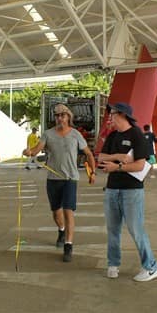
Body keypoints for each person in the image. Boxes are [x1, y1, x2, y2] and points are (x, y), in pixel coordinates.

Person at [23, 103, 95, 262]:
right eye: (57, 116)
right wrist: (28, 152)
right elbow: (35, 150)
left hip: (70, 178)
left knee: (68, 210)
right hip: (53, 179)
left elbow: (89, 154)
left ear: (68, 117)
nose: (59, 118)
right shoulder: (48, 134)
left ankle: (68, 245)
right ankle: (61, 230)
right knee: (56, 212)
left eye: (62, 115)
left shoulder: (76, 135)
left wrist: (93, 172)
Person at [98, 102, 157, 282]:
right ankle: (113, 264)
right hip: (112, 189)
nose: (110, 117)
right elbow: (101, 157)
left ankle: (151, 266)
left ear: (123, 115)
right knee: (112, 229)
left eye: (113, 114)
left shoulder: (136, 135)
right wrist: (118, 157)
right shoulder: (112, 136)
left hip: (131, 191)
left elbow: (140, 165)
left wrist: (117, 167)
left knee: (136, 229)